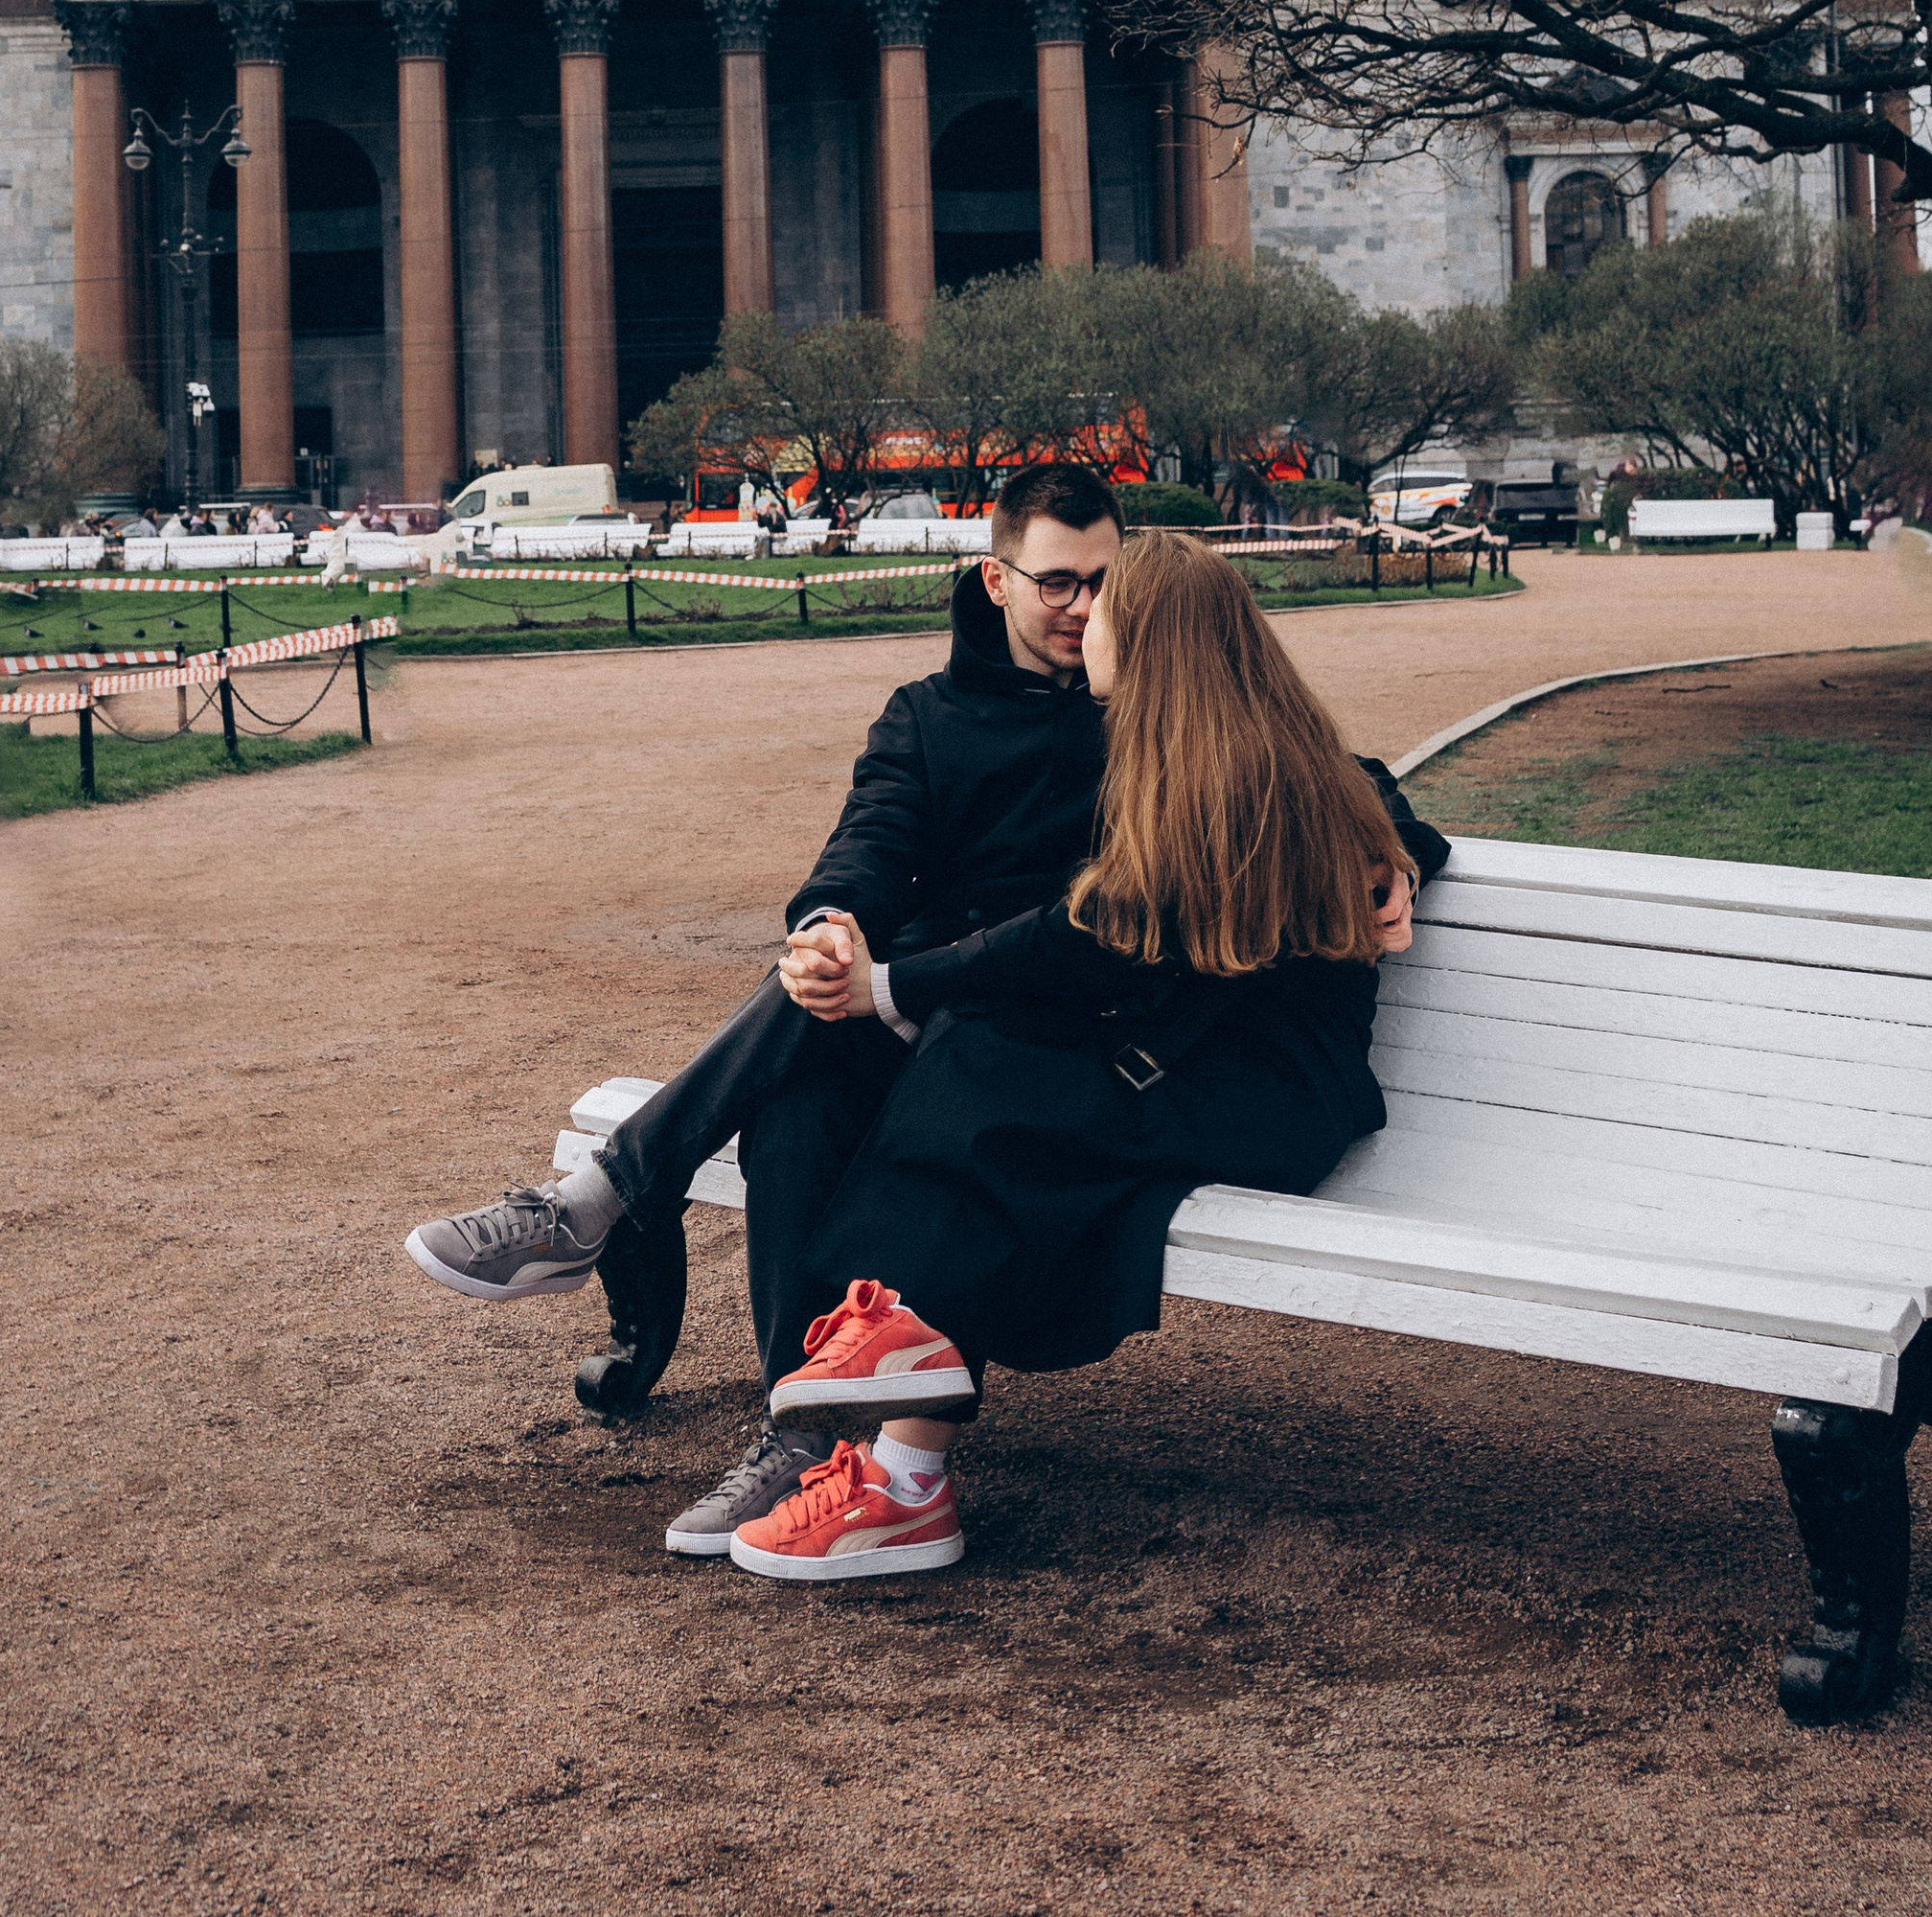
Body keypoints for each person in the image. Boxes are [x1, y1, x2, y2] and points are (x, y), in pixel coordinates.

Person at [402, 470, 1447, 1561]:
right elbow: (867, 848)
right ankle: (790, 1421)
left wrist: (1393, 853)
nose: (1083, 608)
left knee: (942, 1082)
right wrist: (829, 931)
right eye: (1058, 583)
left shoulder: (1170, 719)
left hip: (1069, 1027)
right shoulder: (939, 717)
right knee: (807, 1082)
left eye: (1105, 587)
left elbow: (1323, 796)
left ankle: (634, 1239)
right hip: (997, 1014)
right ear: (994, 579)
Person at [724, 525, 1441, 1583]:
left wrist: (890, 988)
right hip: (1204, 1065)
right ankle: (903, 1457)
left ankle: (889, 1356)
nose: (1082, 620)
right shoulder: (1212, 745)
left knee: (985, 1078)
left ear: (1146, 637)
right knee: (985, 1074)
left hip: (1272, 1098)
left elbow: (1080, 930)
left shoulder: (1227, 773)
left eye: (1104, 605)